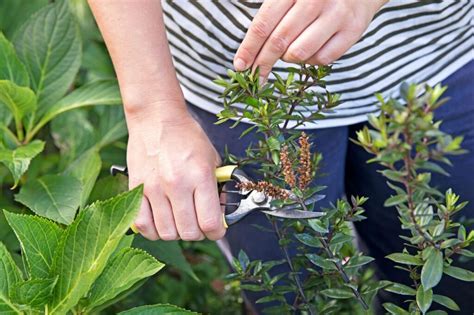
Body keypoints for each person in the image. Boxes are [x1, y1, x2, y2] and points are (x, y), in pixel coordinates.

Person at [88, 0, 473, 313]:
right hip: (237, 86)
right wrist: (154, 110)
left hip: (437, 56)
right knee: (293, 296)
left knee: (456, 274)